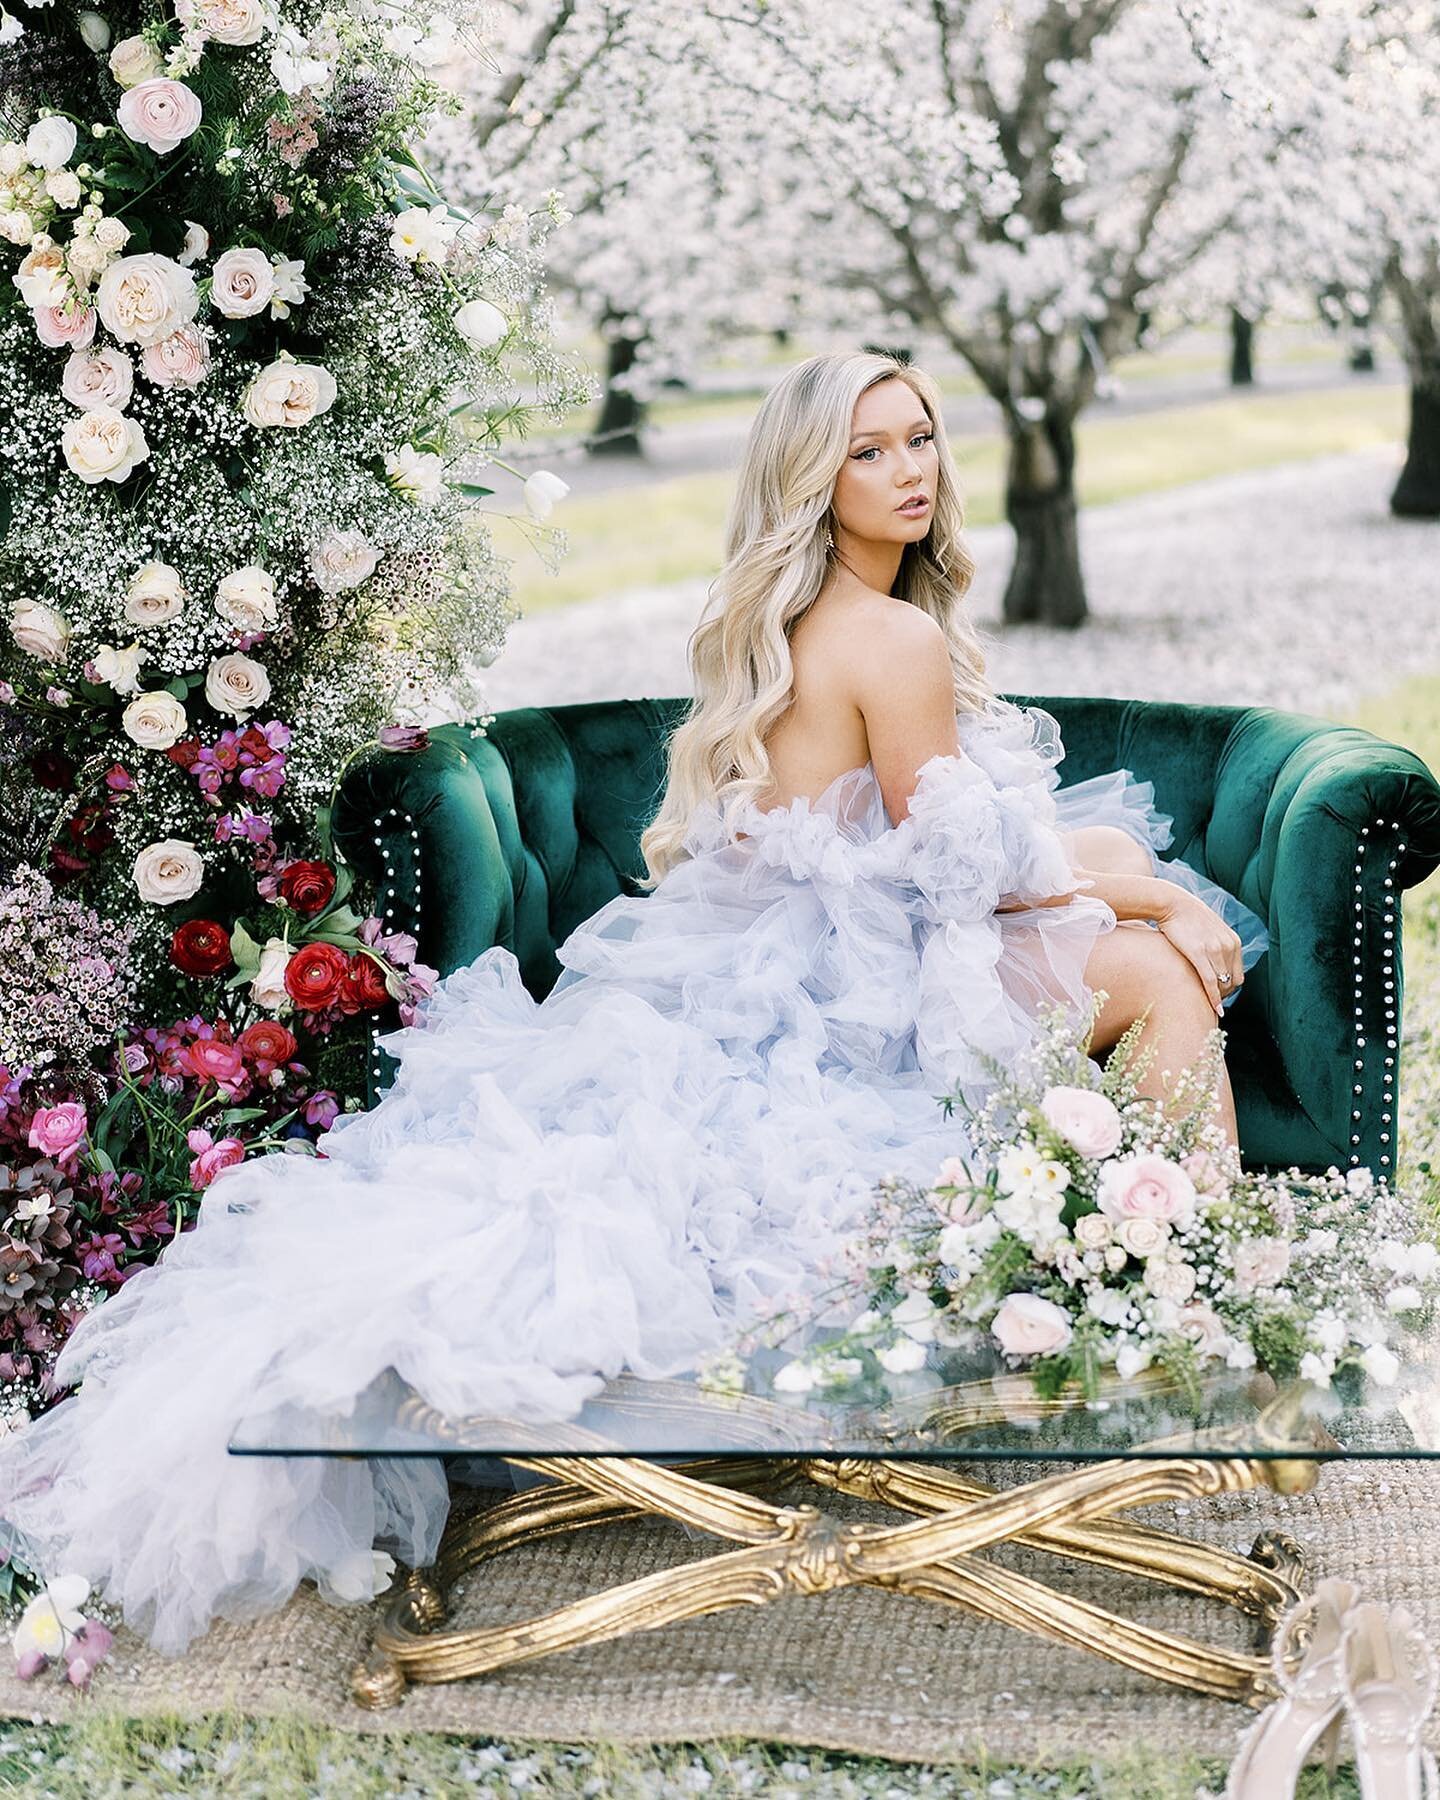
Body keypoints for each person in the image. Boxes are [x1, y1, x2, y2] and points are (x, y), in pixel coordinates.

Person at [0, 351, 1268, 1656]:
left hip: (801, 965)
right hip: (859, 989)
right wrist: (1156, 900)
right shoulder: (892, 636)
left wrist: (1118, 884)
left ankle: (1162, 1283)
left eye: (923, 439)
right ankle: (1202, 1324)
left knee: (1151, 938)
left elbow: (928, 852)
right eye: (869, 450)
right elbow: (966, 876)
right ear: (811, 481)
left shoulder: (809, 620)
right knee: (1171, 977)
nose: (909, 472)